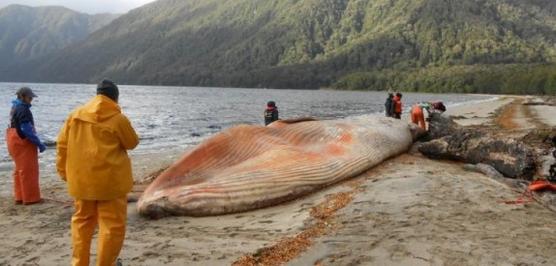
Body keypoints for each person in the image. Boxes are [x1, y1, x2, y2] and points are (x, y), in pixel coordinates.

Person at [56, 80, 139, 266]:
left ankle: (79, 264)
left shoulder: (75, 116)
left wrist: (64, 173)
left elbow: (62, 146)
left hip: (82, 182)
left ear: (96, 95)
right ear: (115, 97)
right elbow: (132, 143)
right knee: (112, 227)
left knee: (81, 224)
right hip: (111, 184)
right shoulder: (119, 119)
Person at [5, 87, 46, 205]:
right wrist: (39, 143)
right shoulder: (23, 109)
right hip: (22, 142)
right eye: (29, 97)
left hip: (13, 140)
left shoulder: (14, 107)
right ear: (22, 96)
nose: (31, 100)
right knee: (29, 170)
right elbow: (26, 129)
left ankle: (20, 197)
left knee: (19, 170)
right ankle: (31, 198)